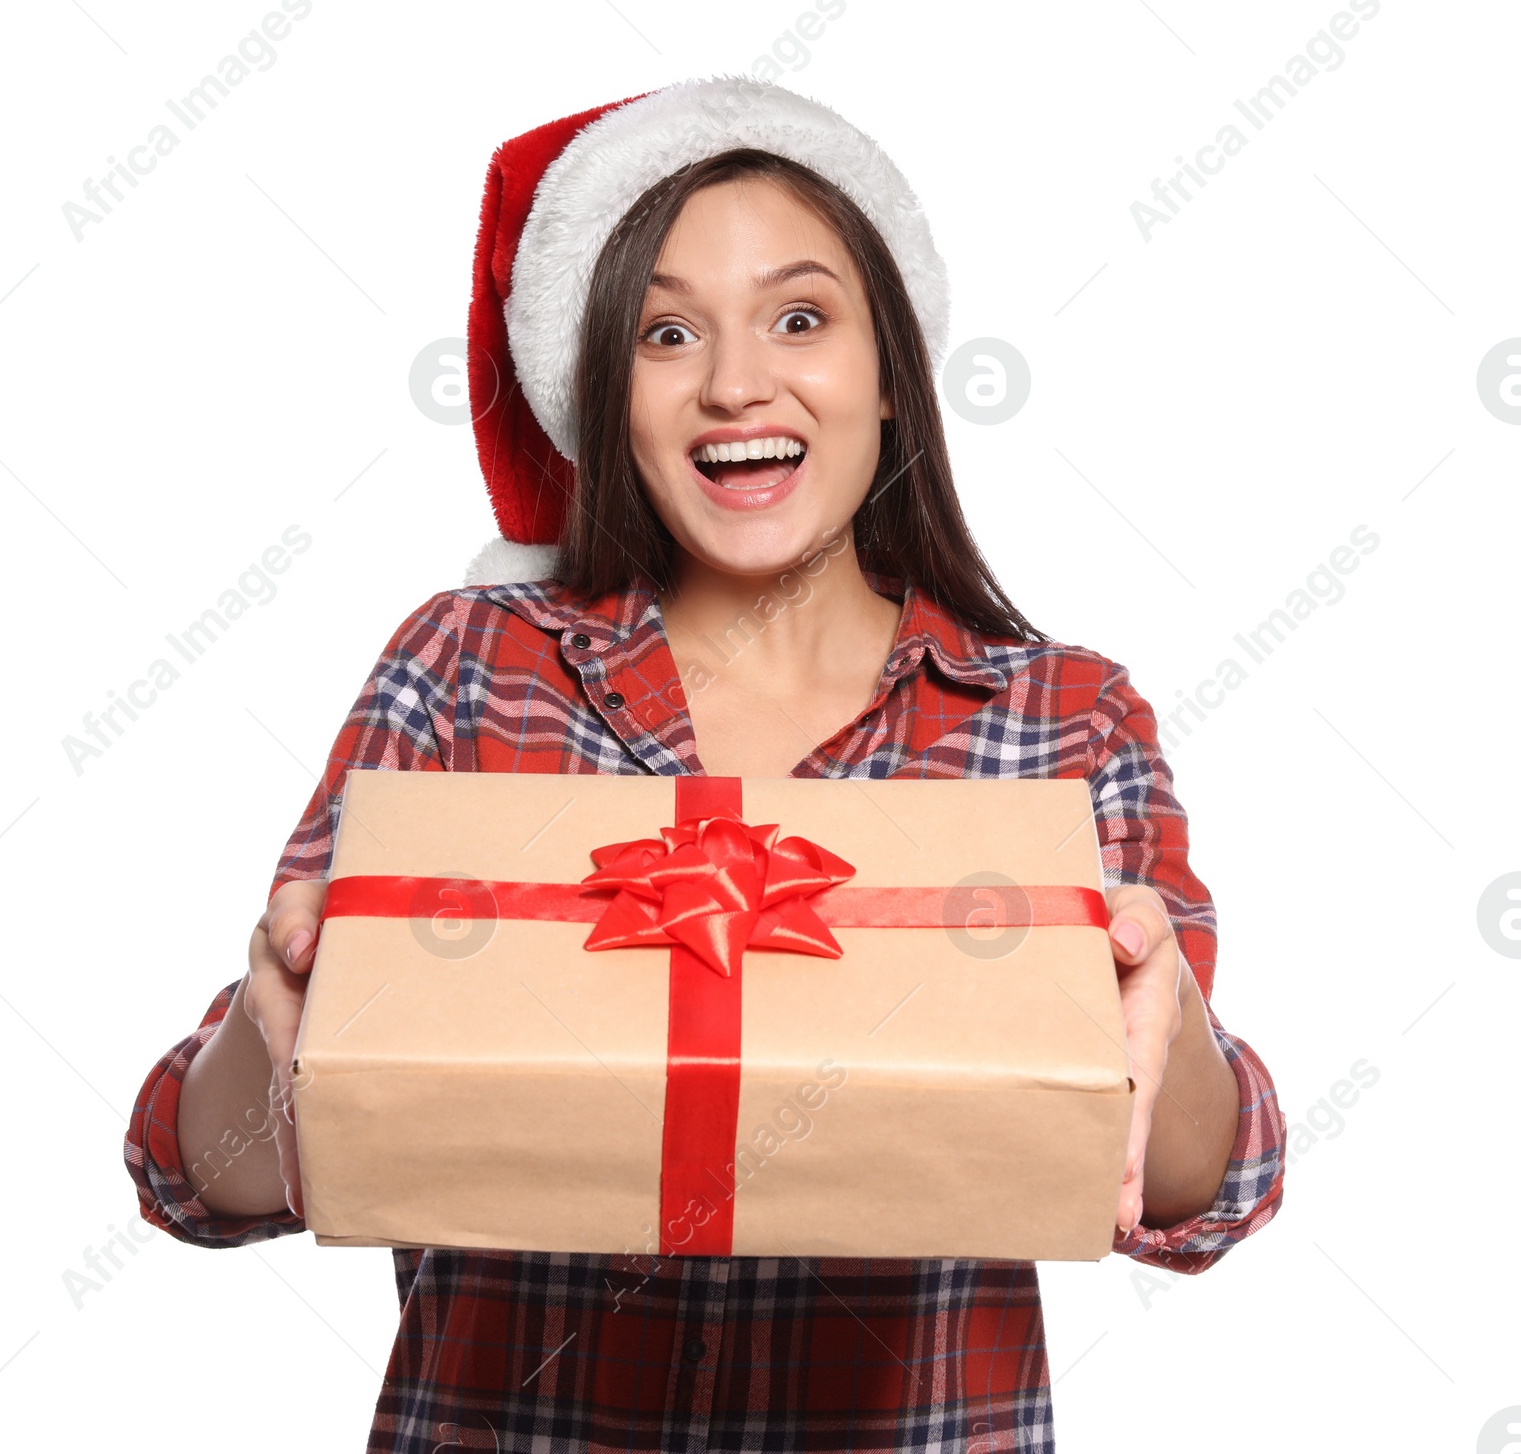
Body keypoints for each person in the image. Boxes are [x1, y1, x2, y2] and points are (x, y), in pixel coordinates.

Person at [125, 75, 1286, 1453]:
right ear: (602, 388)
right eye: (669, 331)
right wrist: (270, 1034)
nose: (738, 382)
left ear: (890, 370)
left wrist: (1168, 1018)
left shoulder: (1056, 717)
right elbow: (207, 1173)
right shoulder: (470, 668)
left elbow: (1202, 1185)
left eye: (801, 316)